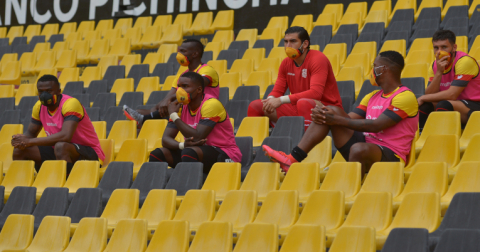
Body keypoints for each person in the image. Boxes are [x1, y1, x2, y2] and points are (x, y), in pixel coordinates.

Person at [263, 51, 418, 176]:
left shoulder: (405, 96)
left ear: (383, 69)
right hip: (366, 145)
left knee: (357, 147)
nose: (372, 71)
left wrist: (335, 119)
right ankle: (292, 159)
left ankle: (350, 185)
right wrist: (325, 114)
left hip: (391, 156)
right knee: (330, 111)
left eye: (374, 66)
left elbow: (376, 126)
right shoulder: (371, 96)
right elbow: (348, 119)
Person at [247, 26, 342, 131]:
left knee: (304, 102)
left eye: (293, 41)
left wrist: (281, 100)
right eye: (286, 42)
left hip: (328, 109)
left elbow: (316, 93)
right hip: (300, 107)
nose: (288, 46)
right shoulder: (285, 63)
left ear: (305, 44)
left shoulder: (318, 59)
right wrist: (270, 101)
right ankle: (256, 145)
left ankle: (303, 143)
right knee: (256, 105)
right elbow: (278, 90)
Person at [149, 71, 241, 174]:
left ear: (199, 90)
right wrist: (183, 145)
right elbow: (165, 140)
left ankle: (188, 186)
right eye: (179, 87)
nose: (180, 91)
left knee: (189, 152)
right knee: (157, 153)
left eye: (185, 86)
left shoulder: (211, 104)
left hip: (225, 153)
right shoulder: (180, 107)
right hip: (195, 152)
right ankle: (159, 187)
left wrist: (174, 116)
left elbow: (198, 137)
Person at [12, 75, 105, 173]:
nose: (44, 95)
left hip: (89, 153)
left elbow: (65, 136)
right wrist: (19, 141)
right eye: (41, 91)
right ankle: (24, 186)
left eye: (49, 91)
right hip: (58, 151)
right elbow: (30, 134)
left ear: (58, 91)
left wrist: (29, 142)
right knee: (20, 151)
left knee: (61, 146)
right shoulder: (39, 107)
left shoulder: (70, 104)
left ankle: (66, 184)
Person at [123, 39, 220, 127]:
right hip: (187, 112)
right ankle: (143, 120)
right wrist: (156, 108)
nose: (179, 54)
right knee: (140, 115)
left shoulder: (207, 70)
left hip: (206, 111)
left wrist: (168, 100)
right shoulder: (182, 76)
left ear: (194, 54)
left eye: (183, 51)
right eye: (179, 51)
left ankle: (144, 119)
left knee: (179, 99)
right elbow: (168, 98)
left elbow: (194, 87)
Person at [418, 29, 480, 128]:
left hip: (475, 105)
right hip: (455, 103)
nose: (439, 51)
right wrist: (439, 73)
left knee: (443, 105)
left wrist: (422, 97)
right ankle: (422, 137)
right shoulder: (434, 65)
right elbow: (430, 95)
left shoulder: (464, 62)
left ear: (454, 47)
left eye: (444, 47)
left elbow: (452, 94)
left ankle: (445, 138)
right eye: (436, 48)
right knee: (425, 106)